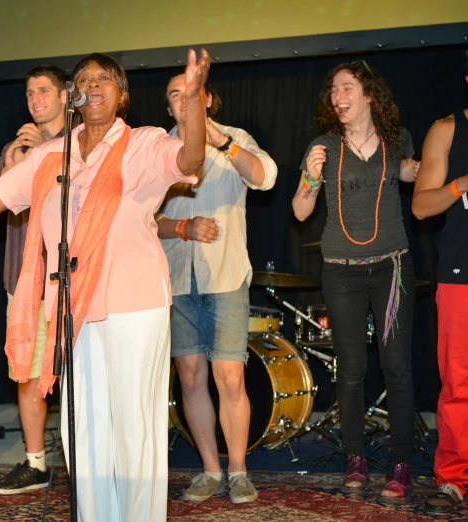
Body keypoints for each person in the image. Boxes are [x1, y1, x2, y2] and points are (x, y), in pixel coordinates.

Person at [0, 48, 211, 521]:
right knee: (85, 429)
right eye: (86, 79)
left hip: (133, 303)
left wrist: (196, 97)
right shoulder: (49, 155)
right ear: (74, 96)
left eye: (106, 78)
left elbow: (193, 154)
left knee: (131, 426)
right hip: (71, 307)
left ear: (121, 95)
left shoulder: (142, 143)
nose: (94, 85)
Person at [292, 60, 419, 504]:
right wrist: (310, 174)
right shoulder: (324, 146)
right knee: (350, 371)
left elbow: (406, 172)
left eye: (346, 88)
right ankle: (355, 459)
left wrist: (432, 169)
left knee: (397, 366)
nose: (337, 96)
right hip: (341, 270)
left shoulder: (396, 140)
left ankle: (401, 464)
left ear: (368, 94)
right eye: (333, 90)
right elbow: (300, 212)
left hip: (392, 267)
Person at [157, 74, 277, 503]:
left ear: (207, 99)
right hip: (175, 278)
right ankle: (209, 470)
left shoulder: (236, 138)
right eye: (174, 96)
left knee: (230, 378)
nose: (183, 102)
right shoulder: (157, 148)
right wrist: (181, 227)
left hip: (225, 276)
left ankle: (239, 471)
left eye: (190, 94)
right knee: (190, 379)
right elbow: (138, 216)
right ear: (169, 107)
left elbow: (266, 178)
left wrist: (222, 143)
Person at [0, 65, 68, 495]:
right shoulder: (13, 149)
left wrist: (48, 149)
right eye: (30, 92)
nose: (35, 99)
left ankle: (89, 458)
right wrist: (14, 163)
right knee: (28, 373)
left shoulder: (82, 145)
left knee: (81, 374)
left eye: (44, 91)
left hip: (73, 279)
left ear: (65, 96)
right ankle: (36, 464)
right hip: (25, 278)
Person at [411, 60, 468, 515]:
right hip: (461, 276)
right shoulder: (447, 130)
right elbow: (422, 207)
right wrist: (462, 183)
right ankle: (452, 481)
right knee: (458, 386)